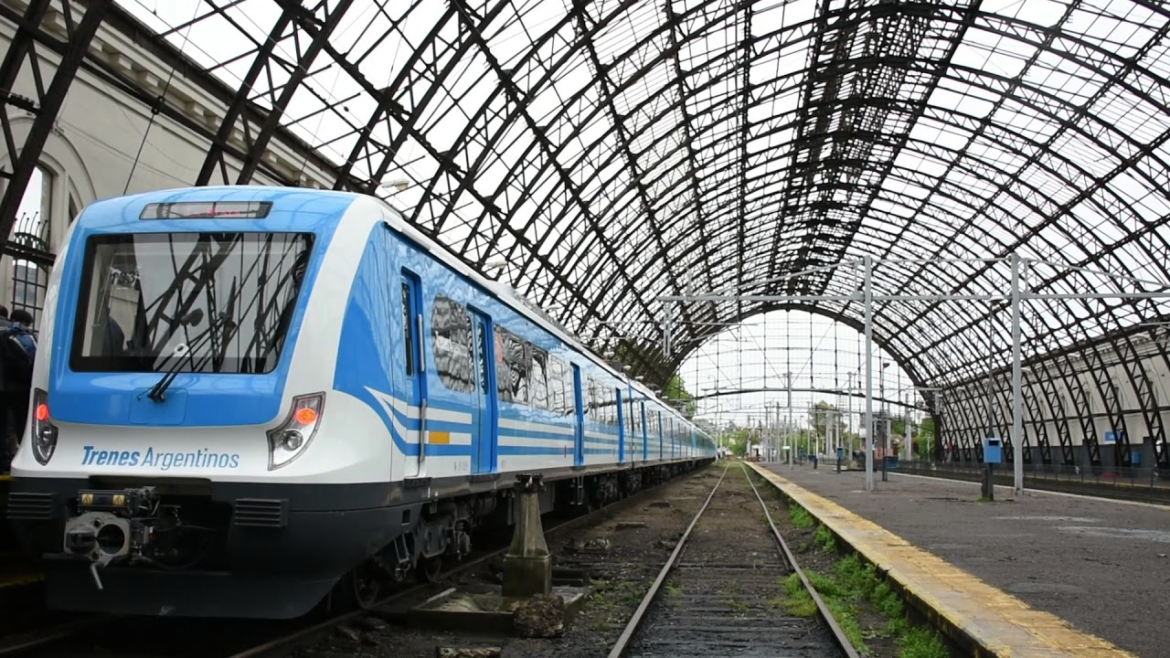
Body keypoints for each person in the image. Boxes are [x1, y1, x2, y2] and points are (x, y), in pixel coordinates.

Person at [0, 309, 36, 471]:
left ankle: (2, 460)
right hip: (20, 387)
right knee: (23, 423)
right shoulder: (23, 334)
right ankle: (27, 459)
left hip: (3, 387)